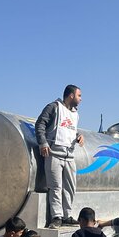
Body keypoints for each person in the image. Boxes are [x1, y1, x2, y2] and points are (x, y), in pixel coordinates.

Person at [35, 84, 85, 229]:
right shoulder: (54, 107)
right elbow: (40, 124)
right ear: (71, 95)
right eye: (79, 95)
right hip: (54, 153)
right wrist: (42, 142)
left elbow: (69, 129)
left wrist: (78, 136)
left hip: (69, 155)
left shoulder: (75, 114)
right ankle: (57, 217)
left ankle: (67, 215)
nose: (81, 99)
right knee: (55, 186)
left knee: (70, 187)